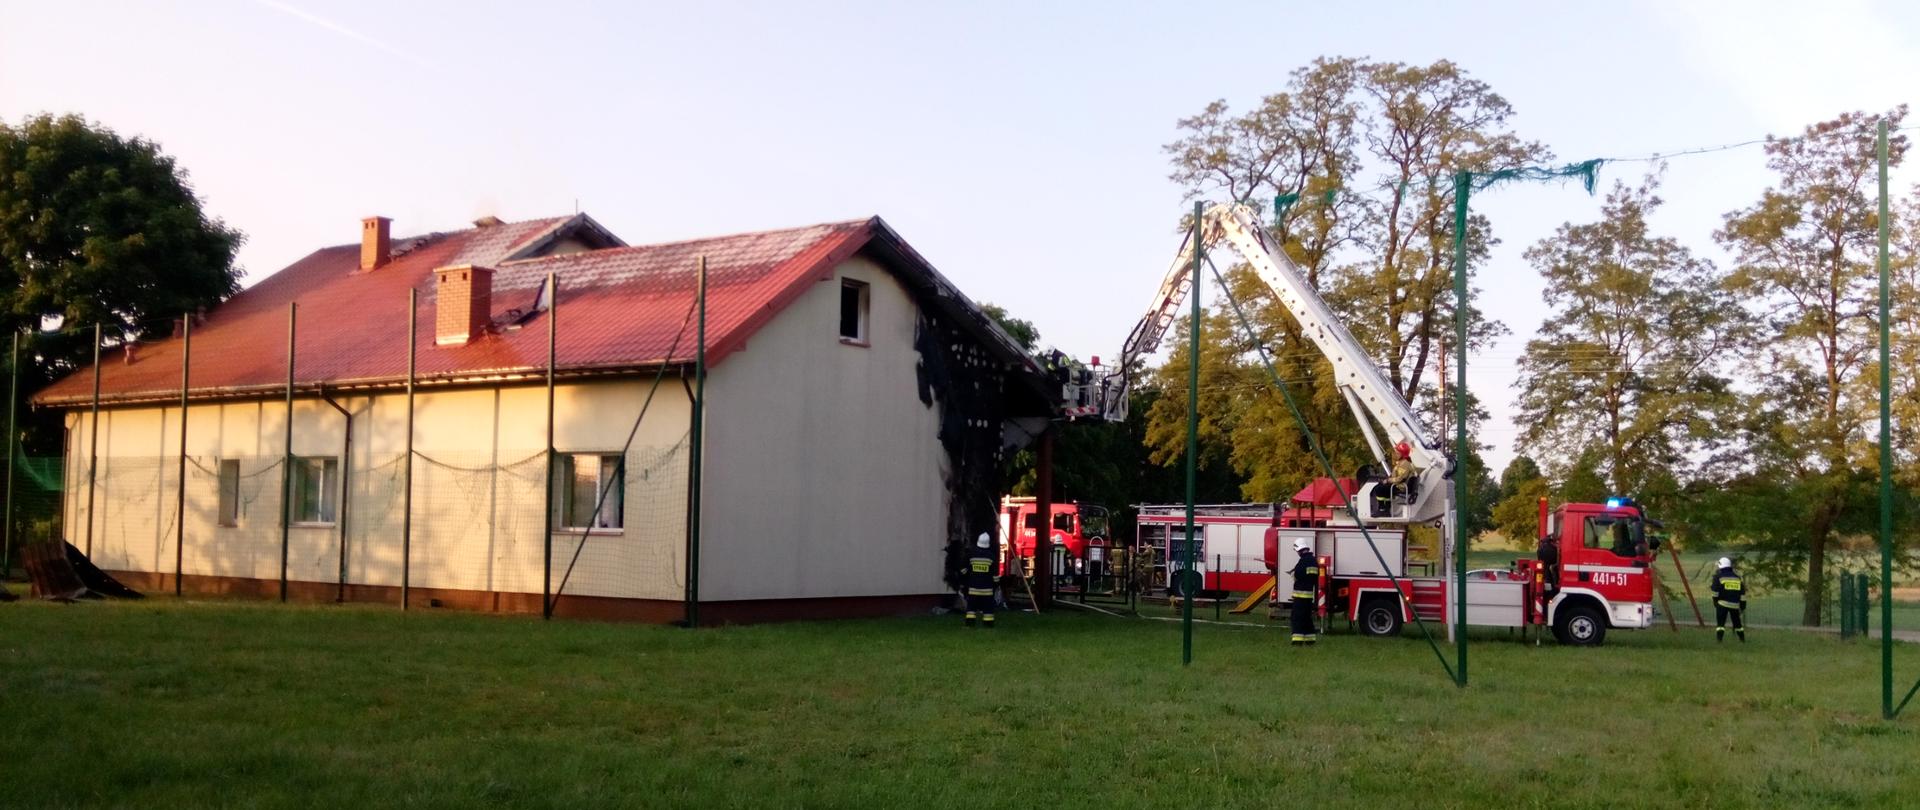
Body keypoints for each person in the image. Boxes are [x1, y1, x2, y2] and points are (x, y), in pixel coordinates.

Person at [1288, 538, 1320, 646]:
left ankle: (1297, 640)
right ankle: (1310, 639)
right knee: (1307, 617)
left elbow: (1299, 575)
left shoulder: (1303, 561)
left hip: (1300, 595)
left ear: (1299, 549)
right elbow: (1313, 577)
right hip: (1309, 595)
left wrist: (1293, 574)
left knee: (1297, 617)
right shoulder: (1313, 561)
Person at [964, 532, 998, 629]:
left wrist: (966, 578)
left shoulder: (971, 554)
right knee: (988, 608)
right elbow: (995, 574)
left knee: (971, 608)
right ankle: (988, 625)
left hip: (973, 588)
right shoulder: (991, 556)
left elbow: (963, 569)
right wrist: (996, 585)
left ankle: (970, 624)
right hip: (987, 590)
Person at [1711, 556, 1746, 643]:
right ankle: (1742, 640)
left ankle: (1719, 640)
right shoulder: (1737, 578)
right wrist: (1742, 606)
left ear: (1721, 566)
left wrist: (1715, 602)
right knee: (1737, 624)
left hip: (1722, 604)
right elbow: (1742, 593)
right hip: (1735, 605)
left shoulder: (1718, 577)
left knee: (1720, 624)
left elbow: (1715, 592)